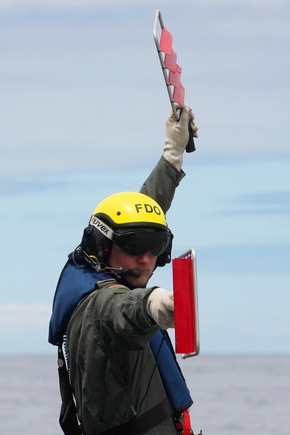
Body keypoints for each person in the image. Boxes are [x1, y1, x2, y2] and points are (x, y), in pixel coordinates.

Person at [49, 105, 198, 435]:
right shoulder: (97, 307)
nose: (145, 259)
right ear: (104, 247)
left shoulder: (98, 265)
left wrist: (172, 156)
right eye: (133, 248)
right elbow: (121, 311)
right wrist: (152, 304)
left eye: (155, 247)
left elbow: (142, 212)